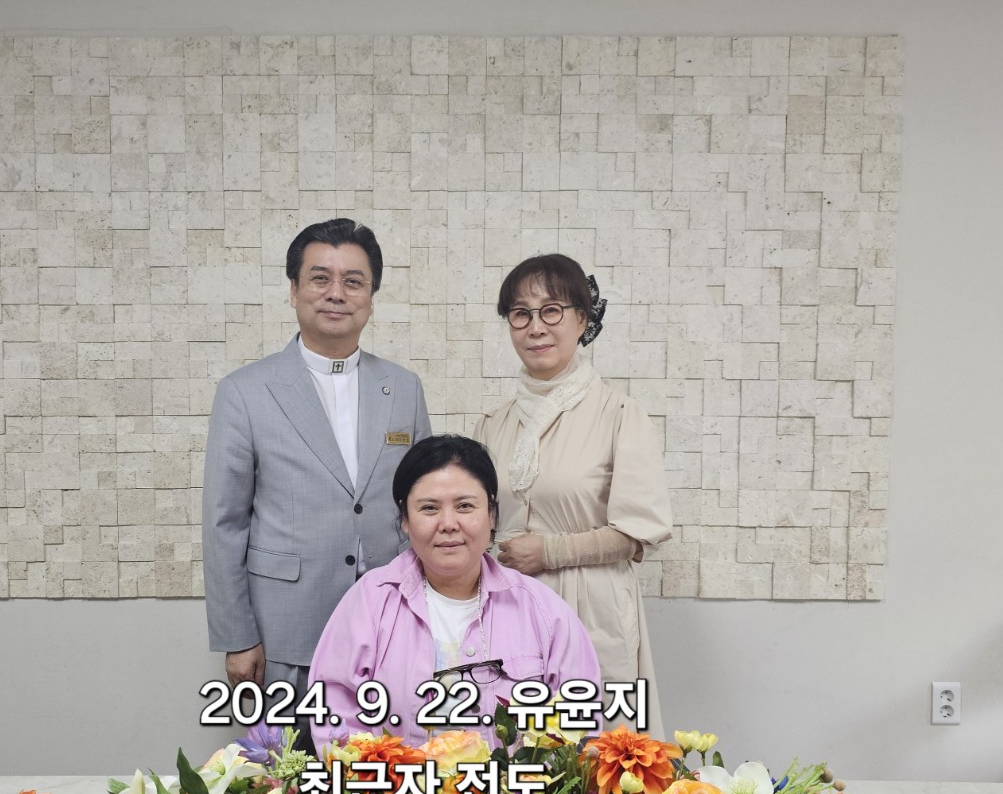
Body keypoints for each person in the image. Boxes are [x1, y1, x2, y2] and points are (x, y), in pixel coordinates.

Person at [202, 218, 432, 738]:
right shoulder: (246, 391)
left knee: (393, 770)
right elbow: (224, 523)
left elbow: (422, 503)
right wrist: (237, 636)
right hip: (286, 631)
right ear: (294, 291)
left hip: (391, 625)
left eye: (353, 281)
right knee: (287, 777)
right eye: (320, 278)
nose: (336, 293)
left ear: (371, 297)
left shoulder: (404, 387)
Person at [473, 255, 674, 738]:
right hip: (509, 607)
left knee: (600, 754)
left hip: (592, 606)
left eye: (551, 310)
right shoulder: (493, 424)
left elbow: (638, 534)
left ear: (582, 320)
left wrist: (550, 552)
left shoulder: (620, 414)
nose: (535, 327)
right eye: (520, 313)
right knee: (511, 748)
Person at [308, 435, 601, 750]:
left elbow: (578, 723)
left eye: (465, 506)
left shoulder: (542, 610)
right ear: (405, 518)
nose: (448, 523)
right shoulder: (369, 601)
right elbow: (333, 715)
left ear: (491, 513)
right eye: (429, 508)